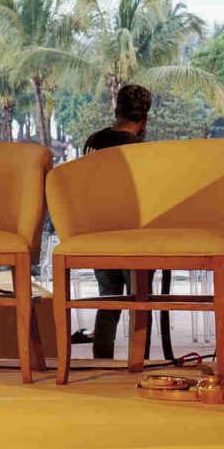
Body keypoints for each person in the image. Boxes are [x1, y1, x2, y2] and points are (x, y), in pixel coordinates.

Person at [80, 84, 152, 360]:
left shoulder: (93, 142)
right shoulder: (141, 151)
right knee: (140, 301)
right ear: (144, 119)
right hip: (133, 235)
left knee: (108, 298)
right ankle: (140, 363)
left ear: (116, 110)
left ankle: (102, 361)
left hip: (98, 230)